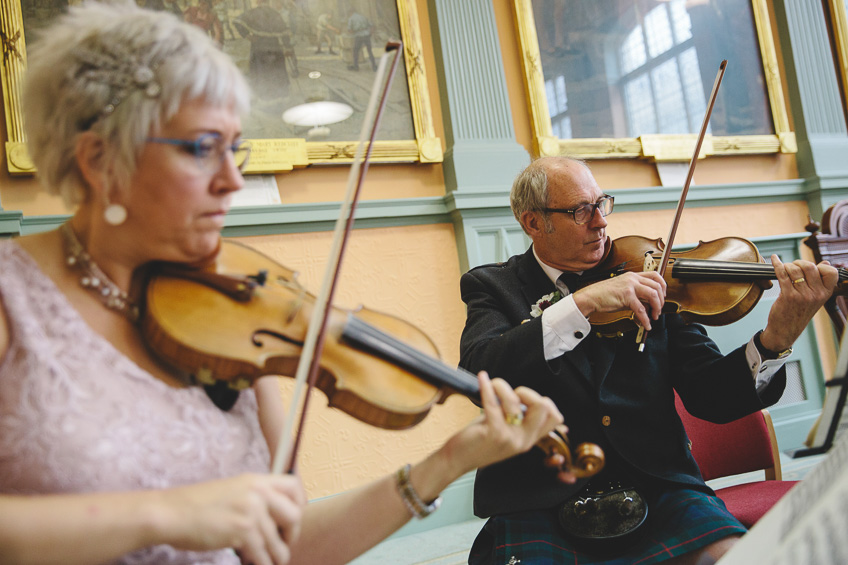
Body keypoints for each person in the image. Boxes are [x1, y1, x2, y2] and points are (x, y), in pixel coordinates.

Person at [0, 4, 573, 564]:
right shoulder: (12, 298)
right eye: (204, 148)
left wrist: (446, 462)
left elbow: (286, 546)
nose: (231, 180)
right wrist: (164, 515)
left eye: (235, 148)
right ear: (101, 159)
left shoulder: (230, 310)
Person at [458, 156, 839, 565]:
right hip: (538, 496)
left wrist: (776, 338)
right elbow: (481, 373)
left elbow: (712, 396)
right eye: (580, 211)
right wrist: (581, 304)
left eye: (601, 203)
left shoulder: (651, 278)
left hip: (658, 485)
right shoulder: (493, 286)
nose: (600, 222)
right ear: (533, 222)